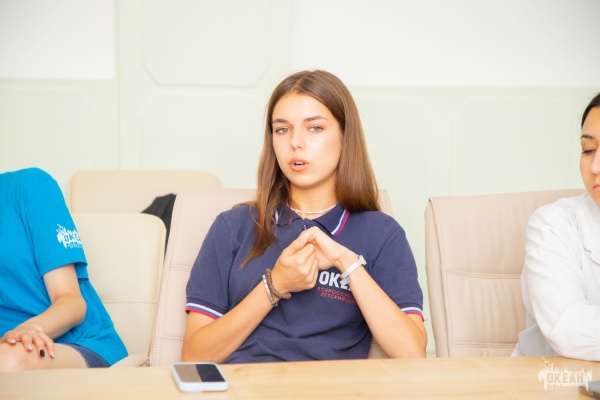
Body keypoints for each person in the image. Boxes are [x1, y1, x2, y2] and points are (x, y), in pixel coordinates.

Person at [182, 70, 427, 363]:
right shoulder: (233, 226)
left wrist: (346, 262)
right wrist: (274, 286)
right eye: (282, 129)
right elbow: (194, 356)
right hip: (245, 382)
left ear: (345, 135)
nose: (296, 142)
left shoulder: (381, 233)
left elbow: (412, 354)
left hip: (332, 385)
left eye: (315, 128)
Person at [0, 167, 127, 370]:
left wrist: (28, 330)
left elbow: (71, 301)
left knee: (8, 360)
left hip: (78, 344)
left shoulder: (30, 187)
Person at [513, 92, 600, 361]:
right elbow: (567, 328)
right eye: (588, 150)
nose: (595, 166)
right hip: (557, 382)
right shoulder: (553, 225)